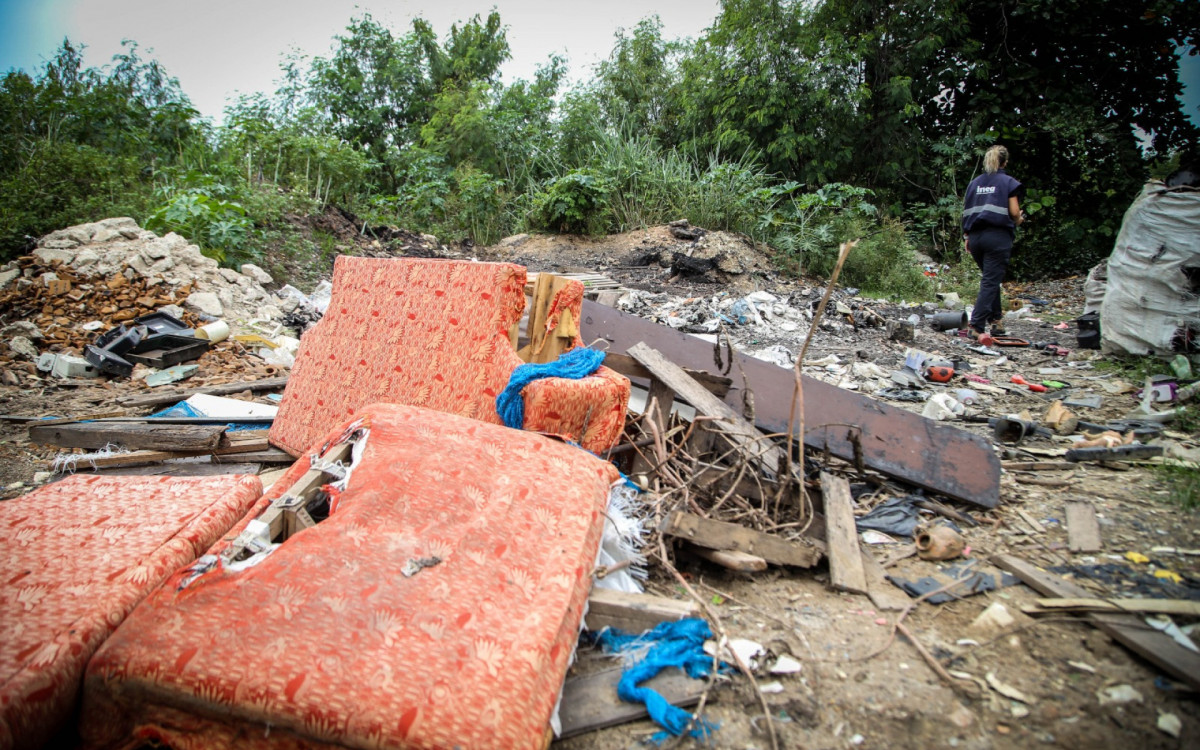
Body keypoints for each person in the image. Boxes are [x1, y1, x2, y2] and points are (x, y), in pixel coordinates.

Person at [962, 145, 1025, 338]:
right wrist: (1019, 219)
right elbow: (1014, 212)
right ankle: (977, 326)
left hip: (975, 238)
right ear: (1004, 162)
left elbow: (966, 211)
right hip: (997, 237)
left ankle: (996, 321)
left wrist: (967, 237)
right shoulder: (1008, 182)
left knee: (991, 279)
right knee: (990, 280)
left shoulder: (975, 184)